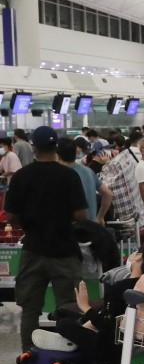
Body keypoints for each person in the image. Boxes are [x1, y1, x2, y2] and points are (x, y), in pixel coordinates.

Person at [6, 127, 88, 349]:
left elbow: (11, 216)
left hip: (33, 250)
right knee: (68, 307)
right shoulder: (69, 175)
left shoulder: (22, 176)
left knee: (30, 310)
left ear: (34, 147)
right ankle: (67, 355)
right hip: (65, 251)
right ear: (57, 147)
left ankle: (29, 357)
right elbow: (81, 215)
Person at [42, 243, 144, 364]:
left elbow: (109, 327)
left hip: (111, 348)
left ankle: (68, 339)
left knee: (63, 324)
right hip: (139, 342)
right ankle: (68, 321)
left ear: (139, 257)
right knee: (63, 313)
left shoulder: (121, 288)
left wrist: (85, 306)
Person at [98, 130, 144, 226]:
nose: (111, 152)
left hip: (123, 216)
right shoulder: (124, 159)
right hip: (136, 212)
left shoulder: (113, 165)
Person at [57, 138, 98, 223]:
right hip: (92, 227)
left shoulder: (61, 174)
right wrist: (100, 217)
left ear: (57, 154)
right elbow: (108, 194)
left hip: (74, 229)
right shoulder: (88, 170)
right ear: (76, 151)